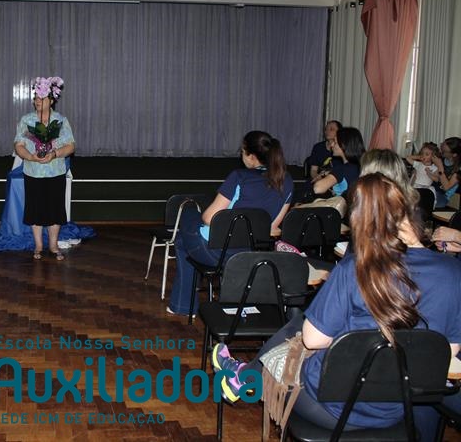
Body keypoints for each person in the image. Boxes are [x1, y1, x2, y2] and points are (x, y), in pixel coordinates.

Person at [213, 173, 461, 435]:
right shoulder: (453, 272)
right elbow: (448, 349)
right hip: (398, 407)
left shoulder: (355, 268)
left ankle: (245, 377)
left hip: (331, 404)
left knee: (297, 336)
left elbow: (313, 340)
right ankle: (244, 377)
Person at [167, 130, 293, 317]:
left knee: (188, 216)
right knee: (182, 242)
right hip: (250, 253)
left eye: (242, 151)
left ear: (251, 157)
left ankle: (184, 307)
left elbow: (209, 218)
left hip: (216, 251)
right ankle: (183, 305)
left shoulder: (239, 177)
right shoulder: (286, 181)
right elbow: (273, 226)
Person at [13, 76, 76, 261]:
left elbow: (71, 146)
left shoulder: (61, 120)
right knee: (35, 210)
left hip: (55, 172)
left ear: (51, 100)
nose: (37, 101)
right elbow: (18, 145)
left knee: (55, 210)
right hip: (33, 172)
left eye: (41, 98)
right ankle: (39, 245)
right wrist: (30, 156)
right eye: (35, 98)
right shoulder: (26, 120)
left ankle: (53, 245)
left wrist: (54, 154)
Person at [429, 136, 461, 208]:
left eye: (444, 151)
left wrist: (440, 167)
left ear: (454, 154)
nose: (441, 151)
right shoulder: (441, 159)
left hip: (443, 196)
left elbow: (446, 187)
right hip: (431, 189)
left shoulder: (458, 168)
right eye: (441, 147)